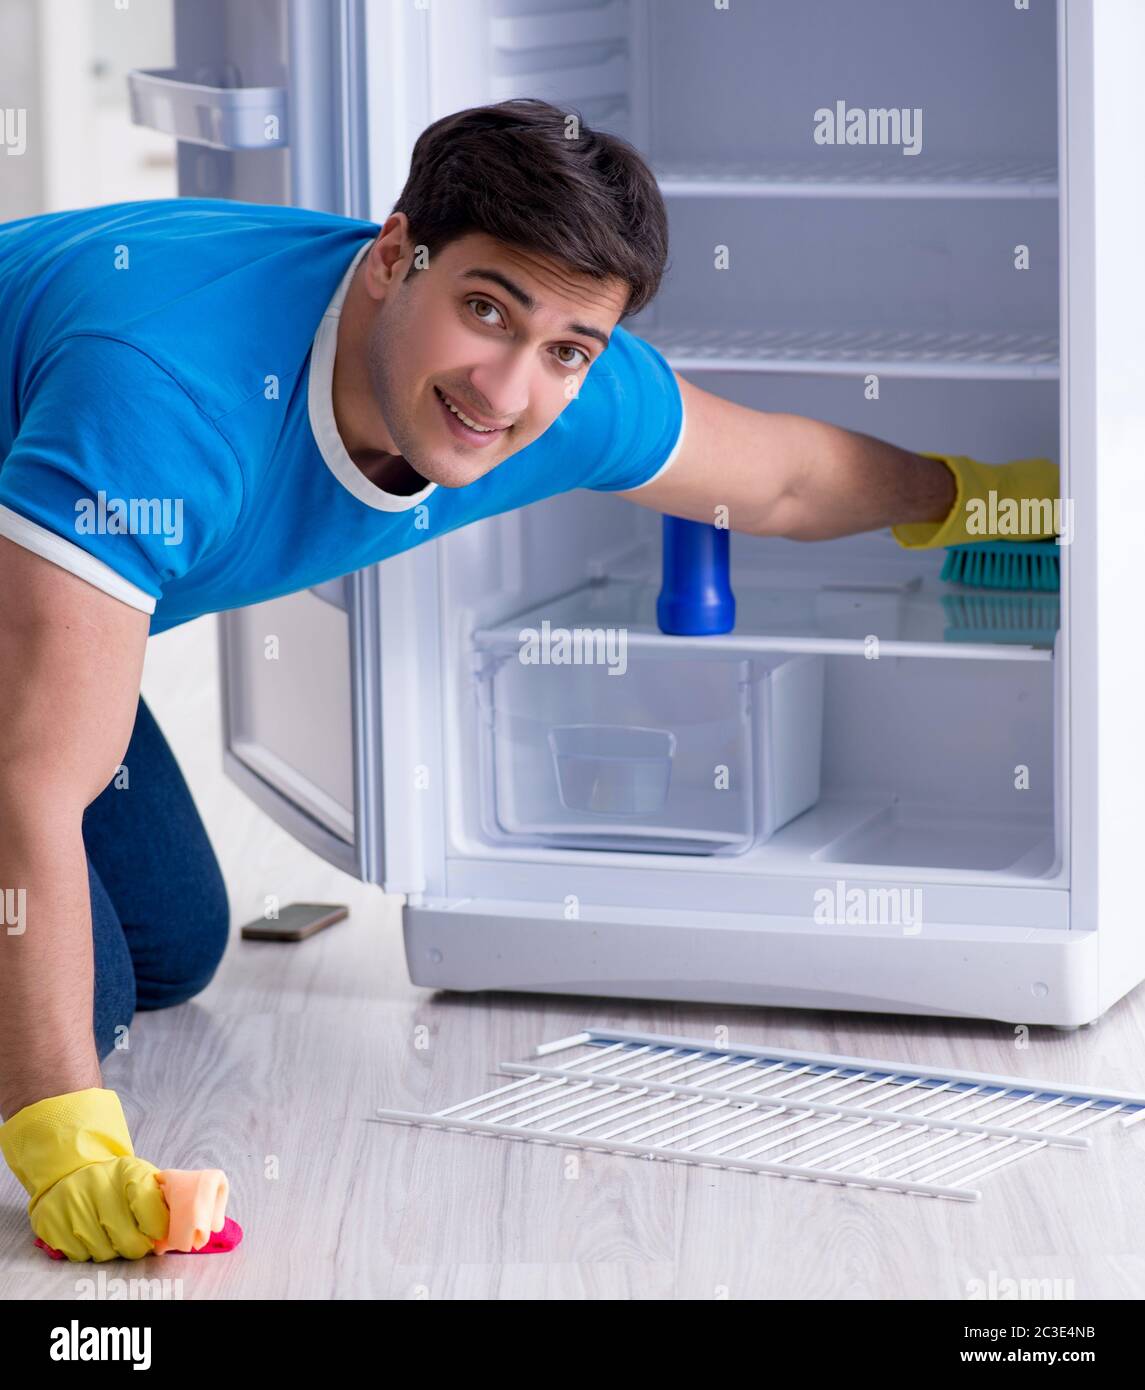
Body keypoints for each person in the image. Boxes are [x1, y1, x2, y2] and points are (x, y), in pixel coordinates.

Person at [0, 98, 1057, 1261]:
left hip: (29, 587)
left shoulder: (552, 388)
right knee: (68, 1023)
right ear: (393, 258)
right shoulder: (161, 395)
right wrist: (66, 1143)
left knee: (170, 947)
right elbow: (32, 788)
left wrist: (981, 496)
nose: (506, 389)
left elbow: (784, 480)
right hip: (38, 561)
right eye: (484, 310)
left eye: (563, 347)